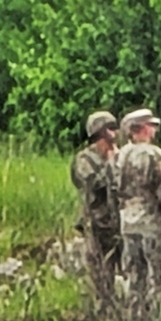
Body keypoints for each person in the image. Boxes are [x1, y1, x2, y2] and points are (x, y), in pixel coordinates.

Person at [114, 108, 161, 312]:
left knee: (136, 278)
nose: (154, 130)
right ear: (141, 129)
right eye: (151, 126)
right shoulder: (154, 154)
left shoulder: (121, 155)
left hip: (128, 224)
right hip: (152, 225)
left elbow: (115, 189)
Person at [70, 110, 120, 306]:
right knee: (101, 277)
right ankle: (104, 314)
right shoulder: (84, 159)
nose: (114, 133)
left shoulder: (118, 153)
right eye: (110, 128)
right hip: (98, 226)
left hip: (119, 223)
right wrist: (110, 164)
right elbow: (93, 184)